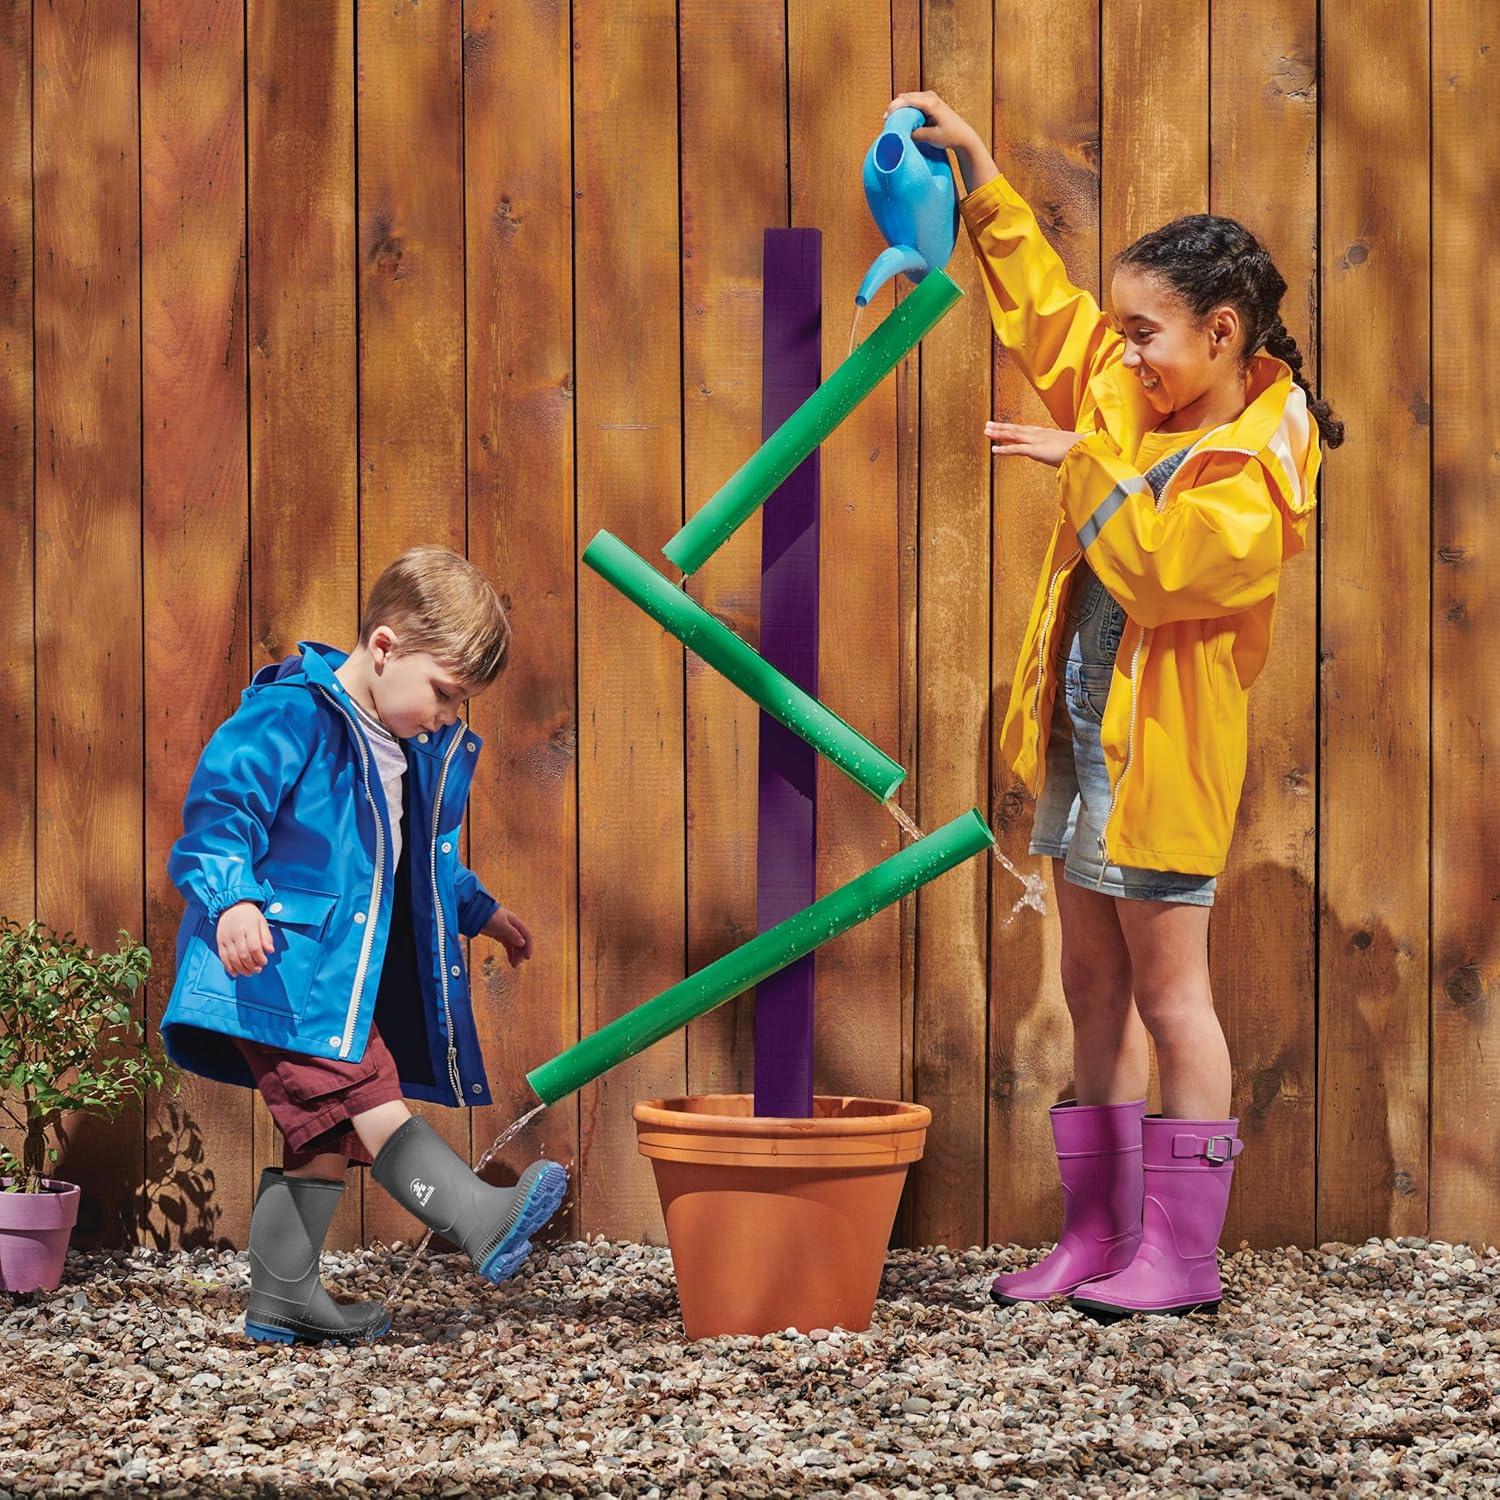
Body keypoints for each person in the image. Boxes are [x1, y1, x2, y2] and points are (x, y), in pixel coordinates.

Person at [886, 90, 1342, 1320]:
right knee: (1090, 989)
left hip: (1164, 767)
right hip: (1082, 747)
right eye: (1125, 333)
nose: (1123, 355)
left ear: (1223, 332)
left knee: (1170, 998)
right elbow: (1052, 314)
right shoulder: (1137, 396)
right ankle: (1099, 1236)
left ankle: (1182, 1259)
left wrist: (1082, 462)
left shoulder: (1260, 463)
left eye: (1147, 334)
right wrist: (982, 180)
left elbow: (1161, 569)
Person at [161, 546, 568, 1344]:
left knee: (325, 1135)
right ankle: (476, 1217)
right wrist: (232, 898)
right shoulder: (295, 716)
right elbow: (220, 811)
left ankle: (283, 1298)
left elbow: (411, 866)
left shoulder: (396, 747)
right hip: (280, 971)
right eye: (444, 693)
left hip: (324, 981)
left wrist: (478, 910)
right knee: (368, 1092)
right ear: (384, 647)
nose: (447, 716)